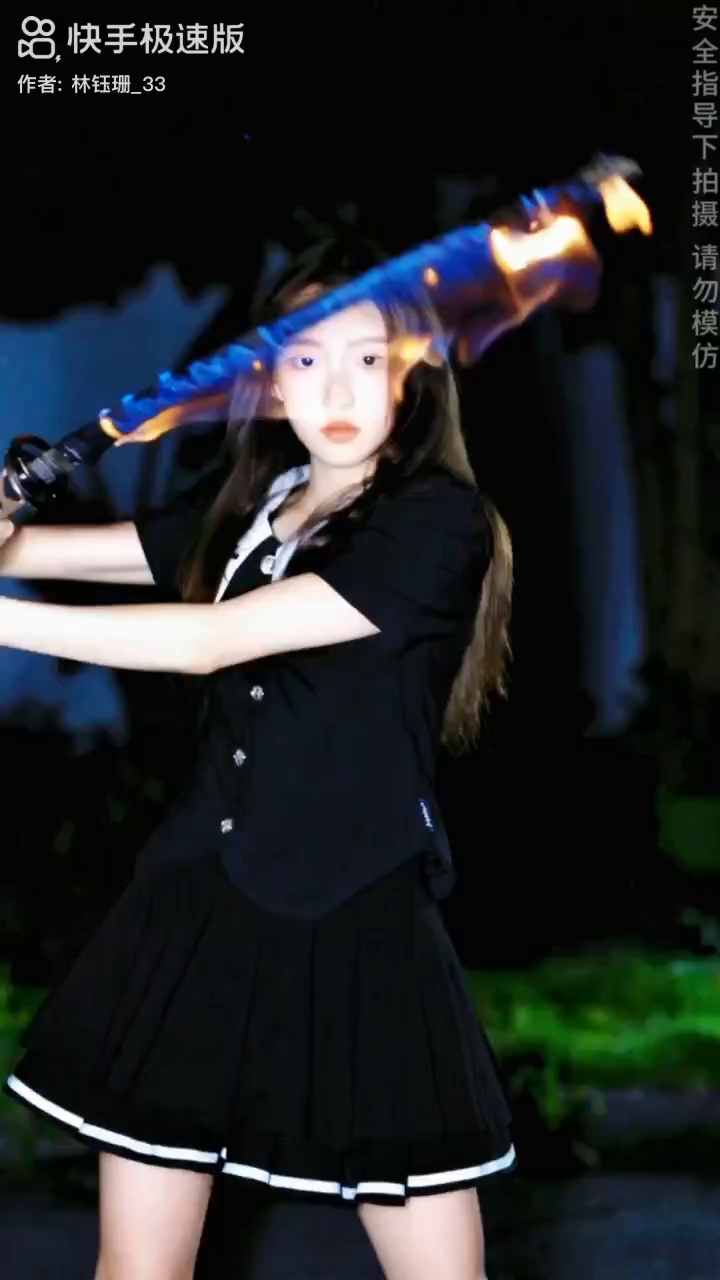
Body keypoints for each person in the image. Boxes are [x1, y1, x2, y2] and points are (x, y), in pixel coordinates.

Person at [0, 237, 516, 1280]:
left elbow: (209, 639)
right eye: (307, 359)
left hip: (359, 912)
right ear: (271, 383)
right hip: (201, 899)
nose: (338, 388)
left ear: (413, 373)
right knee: (136, 1266)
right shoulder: (248, 507)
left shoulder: (437, 524)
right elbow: (45, 557)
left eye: (368, 359)